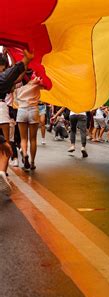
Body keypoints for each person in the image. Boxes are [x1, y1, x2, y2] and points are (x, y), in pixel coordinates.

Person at [0, 49, 34, 194]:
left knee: (6, 145)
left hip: (13, 112)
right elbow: (8, 77)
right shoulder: (2, 80)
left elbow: (15, 78)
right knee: (7, 144)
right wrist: (25, 61)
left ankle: (2, 173)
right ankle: (2, 172)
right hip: (2, 110)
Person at [15, 71, 45, 170]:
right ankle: (32, 162)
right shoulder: (36, 81)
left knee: (23, 138)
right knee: (33, 139)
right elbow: (46, 86)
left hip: (22, 110)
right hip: (33, 110)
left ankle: (24, 154)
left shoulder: (17, 82)